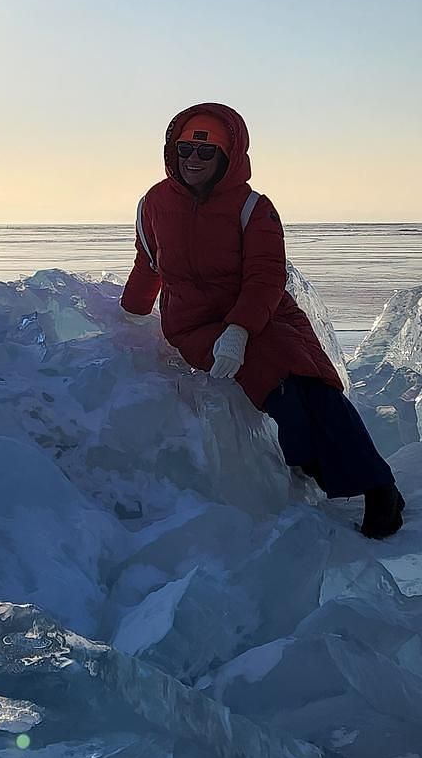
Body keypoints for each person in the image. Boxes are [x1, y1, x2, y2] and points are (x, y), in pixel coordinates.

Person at [120, 100, 406, 539]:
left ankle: (378, 487)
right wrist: (128, 315)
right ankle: (312, 465)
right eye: (184, 150)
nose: (192, 160)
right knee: (279, 391)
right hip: (197, 326)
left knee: (315, 383)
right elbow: (148, 264)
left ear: (227, 157)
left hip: (264, 313)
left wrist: (241, 329)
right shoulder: (153, 205)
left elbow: (266, 276)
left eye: (205, 152)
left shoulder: (253, 208)